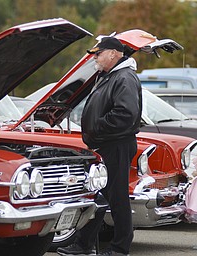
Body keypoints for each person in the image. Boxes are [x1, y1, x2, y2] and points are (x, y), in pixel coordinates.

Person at [57, 37, 142, 256]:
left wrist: (97, 127)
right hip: (107, 143)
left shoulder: (124, 77)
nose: (95, 57)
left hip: (116, 144)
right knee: (97, 195)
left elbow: (126, 114)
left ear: (113, 53)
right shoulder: (111, 76)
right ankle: (84, 244)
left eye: (98, 53)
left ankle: (119, 249)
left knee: (116, 197)